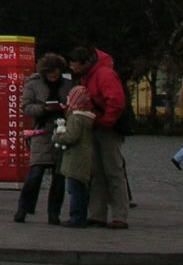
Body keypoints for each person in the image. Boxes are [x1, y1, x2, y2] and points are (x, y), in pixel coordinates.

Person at [67, 45, 128, 228]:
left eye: (75, 65)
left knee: (113, 170)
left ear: (86, 63)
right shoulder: (90, 74)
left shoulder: (103, 74)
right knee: (96, 172)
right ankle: (97, 214)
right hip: (96, 125)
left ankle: (119, 215)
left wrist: (105, 122)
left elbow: (116, 101)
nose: (72, 69)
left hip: (105, 127)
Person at [14, 52, 68, 224]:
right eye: (51, 72)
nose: (54, 75)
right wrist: (44, 109)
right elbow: (26, 107)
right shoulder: (34, 84)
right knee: (35, 173)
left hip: (62, 133)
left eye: (56, 71)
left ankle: (54, 213)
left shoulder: (68, 85)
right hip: (41, 132)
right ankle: (24, 208)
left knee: (59, 177)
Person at [53, 85, 96, 228]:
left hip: (75, 158)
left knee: (74, 189)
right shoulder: (87, 117)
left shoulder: (76, 117)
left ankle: (77, 217)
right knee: (81, 188)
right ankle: (80, 216)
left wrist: (57, 137)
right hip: (84, 157)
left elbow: (71, 137)